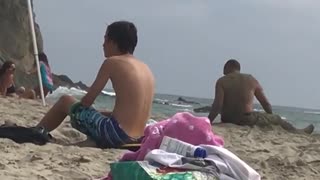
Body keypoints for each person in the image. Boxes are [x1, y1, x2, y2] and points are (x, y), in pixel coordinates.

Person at [36, 21, 155, 148]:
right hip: (137, 139)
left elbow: (87, 101)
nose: (103, 44)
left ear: (114, 41)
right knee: (100, 115)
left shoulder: (112, 62)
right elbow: (132, 113)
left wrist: (74, 112)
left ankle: (36, 132)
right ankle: (92, 141)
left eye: (105, 39)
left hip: (116, 134)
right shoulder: (146, 69)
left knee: (65, 101)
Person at [208, 59, 314, 134]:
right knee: (276, 118)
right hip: (246, 119)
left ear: (229, 67)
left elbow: (217, 105)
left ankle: (299, 132)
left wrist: (209, 122)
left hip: (228, 119)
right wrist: (270, 118)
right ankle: (298, 132)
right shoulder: (251, 79)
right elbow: (265, 103)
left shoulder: (221, 81)